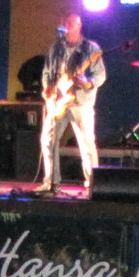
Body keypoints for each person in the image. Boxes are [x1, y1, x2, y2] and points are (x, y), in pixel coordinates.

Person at [37, 12, 106, 193]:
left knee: (87, 143)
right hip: (59, 102)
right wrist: (48, 90)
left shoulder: (90, 49)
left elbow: (100, 75)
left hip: (81, 102)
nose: (66, 27)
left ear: (79, 26)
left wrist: (87, 83)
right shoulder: (55, 49)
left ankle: (93, 184)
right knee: (48, 139)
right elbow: (47, 72)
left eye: (70, 24)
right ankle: (51, 182)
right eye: (65, 23)